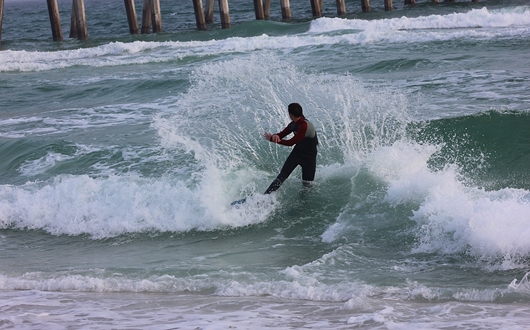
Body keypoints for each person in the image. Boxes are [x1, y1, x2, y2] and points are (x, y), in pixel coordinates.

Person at [263, 103, 318, 194]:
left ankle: (302, 204)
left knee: (307, 185)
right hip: (297, 154)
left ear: (291, 115)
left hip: (309, 158)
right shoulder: (293, 124)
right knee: (282, 175)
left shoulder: (306, 126)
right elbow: (281, 135)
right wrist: (275, 136)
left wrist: (273, 139)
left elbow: (291, 143)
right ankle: (265, 196)